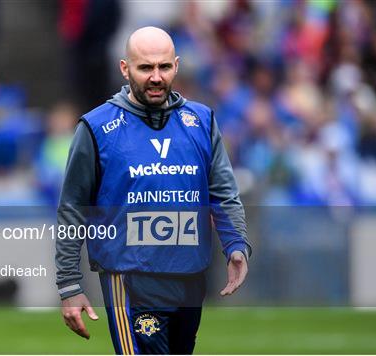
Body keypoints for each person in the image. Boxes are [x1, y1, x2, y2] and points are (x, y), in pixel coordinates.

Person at [56, 26, 252, 355]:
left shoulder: (201, 121)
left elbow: (222, 191)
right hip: (129, 278)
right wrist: (69, 283)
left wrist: (235, 244)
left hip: (190, 276)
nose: (156, 77)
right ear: (125, 68)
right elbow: (73, 207)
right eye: (145, 67)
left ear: (176, 65)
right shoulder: (97, 127)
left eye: (164, 66)